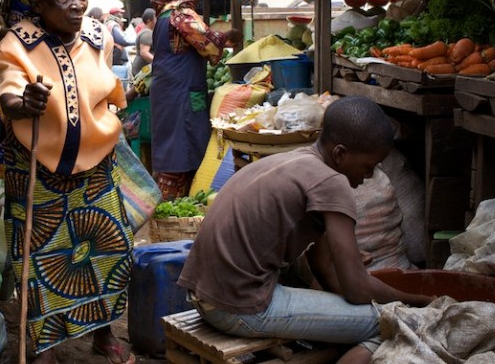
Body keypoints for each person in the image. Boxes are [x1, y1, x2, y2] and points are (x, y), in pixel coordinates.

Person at [177, 96, 435, 364]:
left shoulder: (296, 160)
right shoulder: (332, 183)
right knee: (392, 324)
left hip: (204, 295)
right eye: (368, 167)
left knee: (357, 319)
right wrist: (413, 300)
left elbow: (322, 266)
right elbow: (356, 287)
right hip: (237, 306)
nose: (368, 177)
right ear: (340, 154)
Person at [0, 0, 136, 364]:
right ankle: (48, 344)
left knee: (110, 248)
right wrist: (24, 103)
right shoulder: (16, 43)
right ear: (38, 4)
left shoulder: (98, 35)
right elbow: (9, 90)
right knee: (40, 260)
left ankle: (102, 332)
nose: (76, 4)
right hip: (38, 169)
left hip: (97, 169)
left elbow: (107, 89)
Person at [148, 0, 242, 200]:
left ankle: (174, 209)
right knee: (180, 153)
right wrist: (229, 35)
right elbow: (209, 45)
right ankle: (174, 212)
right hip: (180, 99)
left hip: (171, 96)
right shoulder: (182, 15)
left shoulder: (164, 16)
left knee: (174, 151)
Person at [130, 8, 156, 77]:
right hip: (142, 70)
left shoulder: (145, 31)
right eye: (155, 18)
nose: (157, 20)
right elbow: (144, 53)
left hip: (142, 69)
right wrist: (157, 62)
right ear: (149, 20)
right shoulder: (147, 33)